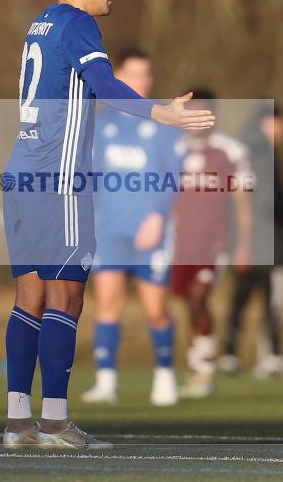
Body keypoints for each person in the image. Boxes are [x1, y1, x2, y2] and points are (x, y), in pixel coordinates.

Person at [1, 0, 214, 450]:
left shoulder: (42, 21)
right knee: (66, 296)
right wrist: (159, 111)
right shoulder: (78, 23)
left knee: (29, 295)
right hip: (58, 179)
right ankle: (54, 423)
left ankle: (18, 423)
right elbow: (103, 82)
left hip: (21, 172)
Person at [81, 47, 183, 408]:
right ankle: (106, 381)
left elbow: (174, 178)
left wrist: (156, 216)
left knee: (156, 308)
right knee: (108, 304)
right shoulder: (102, 124)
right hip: (109, 231)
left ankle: (165, 377)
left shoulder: (161, 124)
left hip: (150, 233)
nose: (142, 81)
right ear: (119, 78)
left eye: (147, 74)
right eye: (134, 74)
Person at [170, 88, 253, 398]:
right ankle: (197, 360)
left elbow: (243, 202)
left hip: (213, 243)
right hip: (177, 245)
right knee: (187, 304)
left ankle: (204, 367)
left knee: (198, 298)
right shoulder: (172, 149)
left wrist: (244, 244)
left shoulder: (228, 152)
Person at [218, 103, 283, 379]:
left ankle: (229, 354)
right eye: (280, 124)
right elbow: (261, 202)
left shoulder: (245, 149)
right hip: (264, 242)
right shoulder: (260, 153)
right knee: (270, 300)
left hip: (249, 240)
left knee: (240, 299)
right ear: (269, 122)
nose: (282, 131)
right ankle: (271, 356)